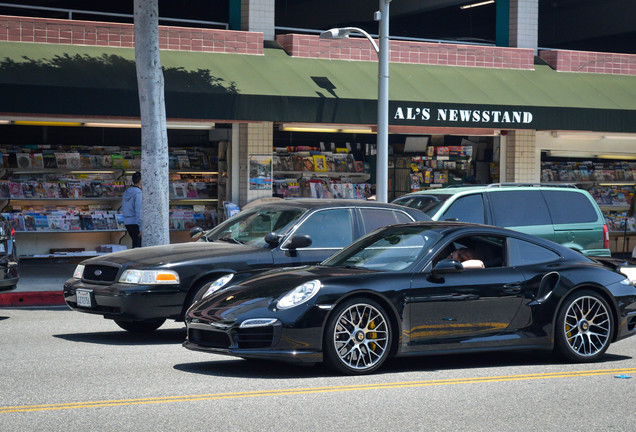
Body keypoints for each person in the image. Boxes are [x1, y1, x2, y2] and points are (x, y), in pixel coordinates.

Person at [122, 171, 142, 248]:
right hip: (135, 222)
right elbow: (139, 210)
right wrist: (141, 227)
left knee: (135, 244)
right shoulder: (138, 193)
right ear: (140, 181)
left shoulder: (127, 191)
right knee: (139, 246)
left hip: (127, 222)